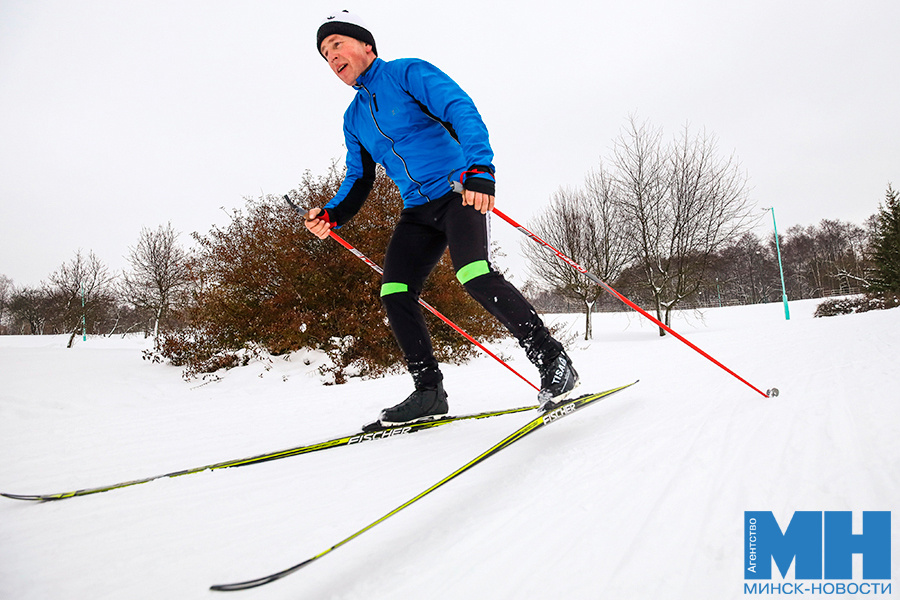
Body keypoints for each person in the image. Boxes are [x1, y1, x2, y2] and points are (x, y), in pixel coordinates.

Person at [306, 10, 578, 426]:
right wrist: (331, 214)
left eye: (337, 45)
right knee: (394, 291)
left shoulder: (406, 73)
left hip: (457, 190)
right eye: (325, 55)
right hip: (417, 209)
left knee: (473, 273)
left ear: (366, 46)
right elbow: (358, 178)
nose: (332, 58)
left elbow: (460, 109)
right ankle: (429, 391)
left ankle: (552, 358)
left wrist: (480, 169)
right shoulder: (354, 118)